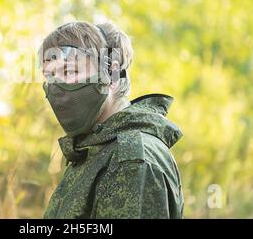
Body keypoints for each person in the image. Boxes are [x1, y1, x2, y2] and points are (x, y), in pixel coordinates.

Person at [39, 21, 184, 219]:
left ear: (112, 74)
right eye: (50, 76)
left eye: (69, 71)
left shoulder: (130, 160)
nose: (56, 87)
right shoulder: (94, 151)